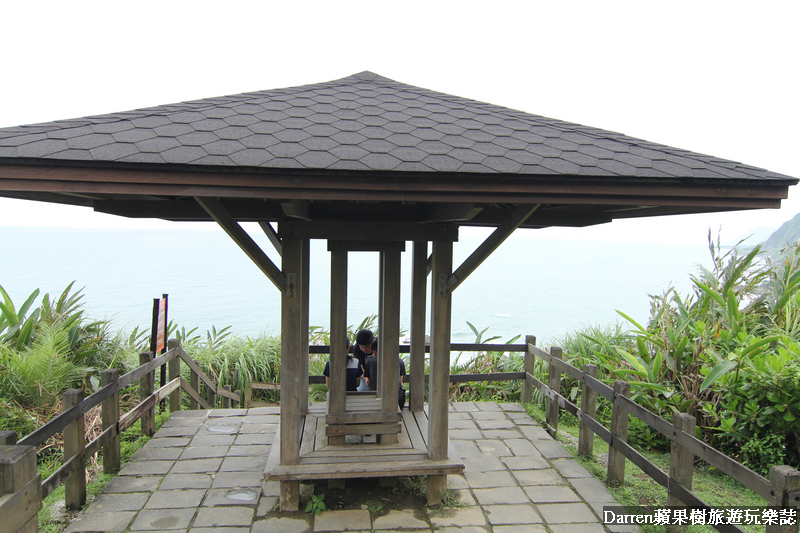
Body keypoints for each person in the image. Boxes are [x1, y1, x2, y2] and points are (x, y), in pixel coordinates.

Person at [363, 339, 407, 410]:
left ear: (374, 352)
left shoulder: (369, 361)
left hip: (376, 402)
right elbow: (401, 382)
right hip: (397, 401)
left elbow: (369, 382)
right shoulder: (399, 361)